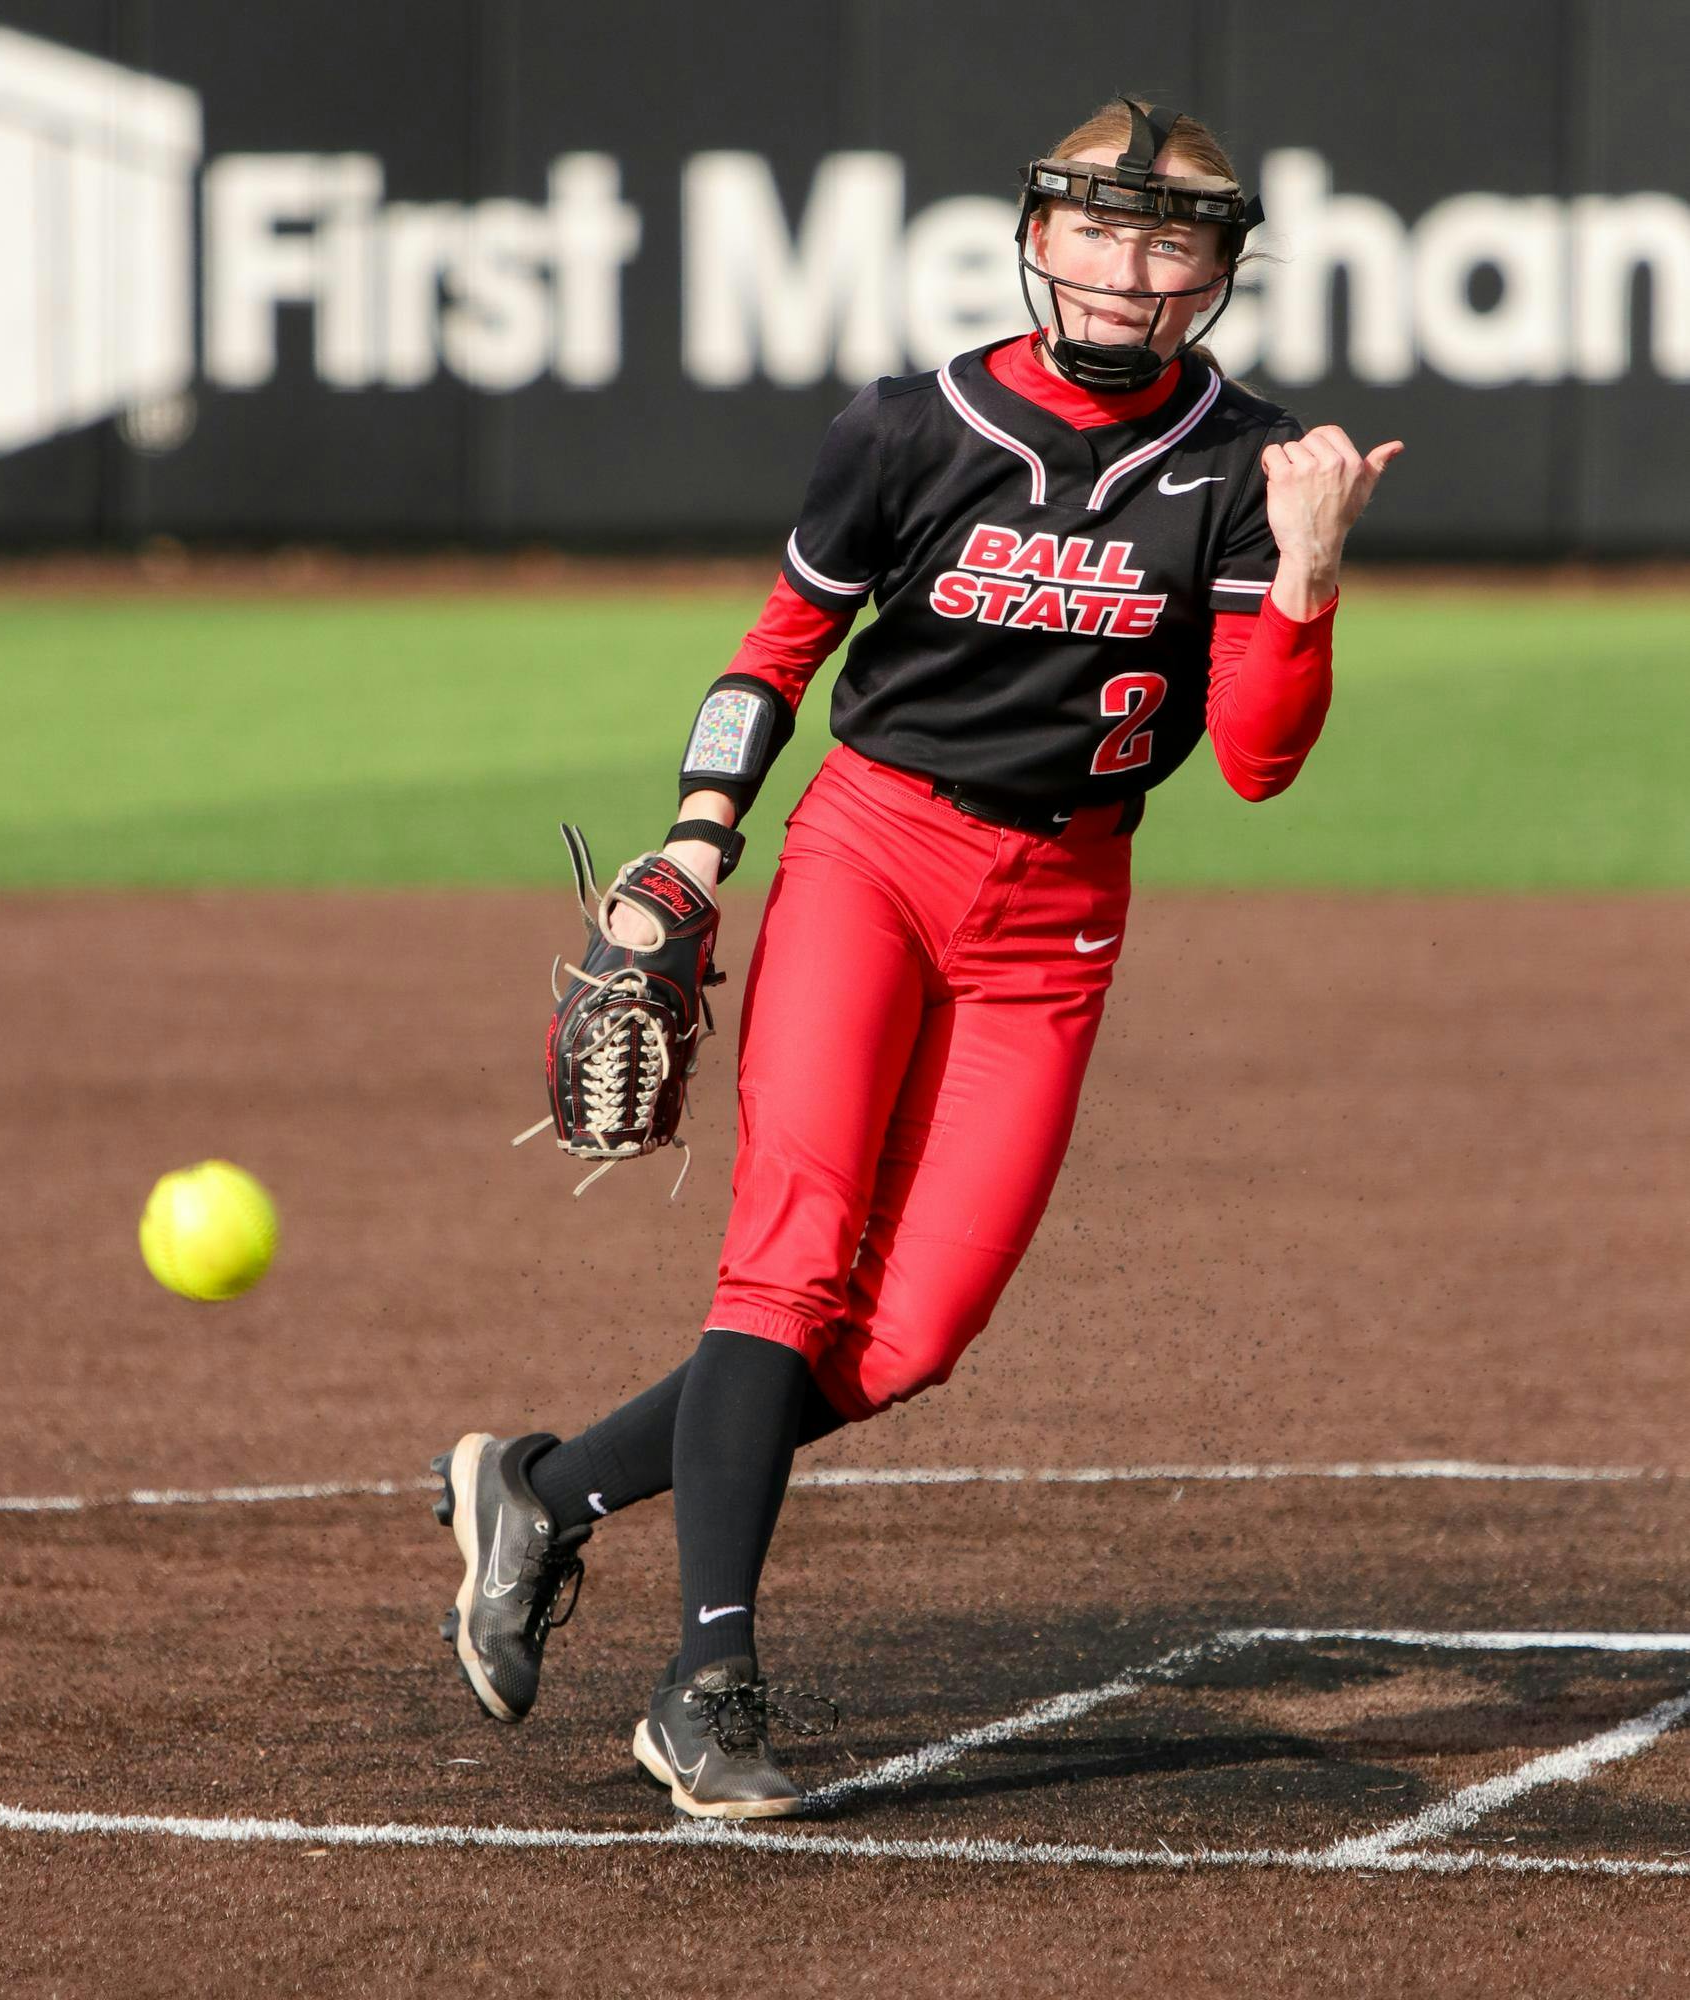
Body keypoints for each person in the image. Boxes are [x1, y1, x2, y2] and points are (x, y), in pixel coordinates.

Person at [431, 98, 1402, 1820]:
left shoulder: (1250, 471)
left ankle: (539, 1493)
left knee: (901, 1340)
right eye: (1094, 228)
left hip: (1061, 913)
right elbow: (778, 649)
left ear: (1219, 268)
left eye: (1166, 236)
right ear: (1033, 236)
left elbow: (1254, 762)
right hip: (873, 852)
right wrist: (697, 834)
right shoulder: (907, 427)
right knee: (786, 1271)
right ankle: (704, 1686)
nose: (1126, 267)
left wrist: (1309, 574)